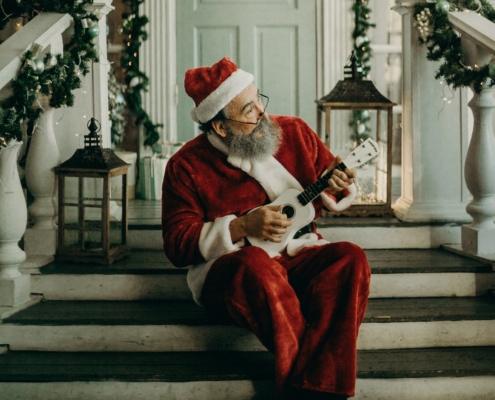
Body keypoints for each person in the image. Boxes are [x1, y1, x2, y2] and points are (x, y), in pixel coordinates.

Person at [161, 56, 370, 400]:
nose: (261, 113)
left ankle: (307, 389)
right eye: (248, 110)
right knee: (255, 264)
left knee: (350, 258)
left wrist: (339, 182)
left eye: (259, 99)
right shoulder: (185, 166)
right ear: (220, 127)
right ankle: (320, 387)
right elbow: (176, 243)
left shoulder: (297, 132)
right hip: (234, 268)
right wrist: (242, 226)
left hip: (299, 253)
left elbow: (333, 181)